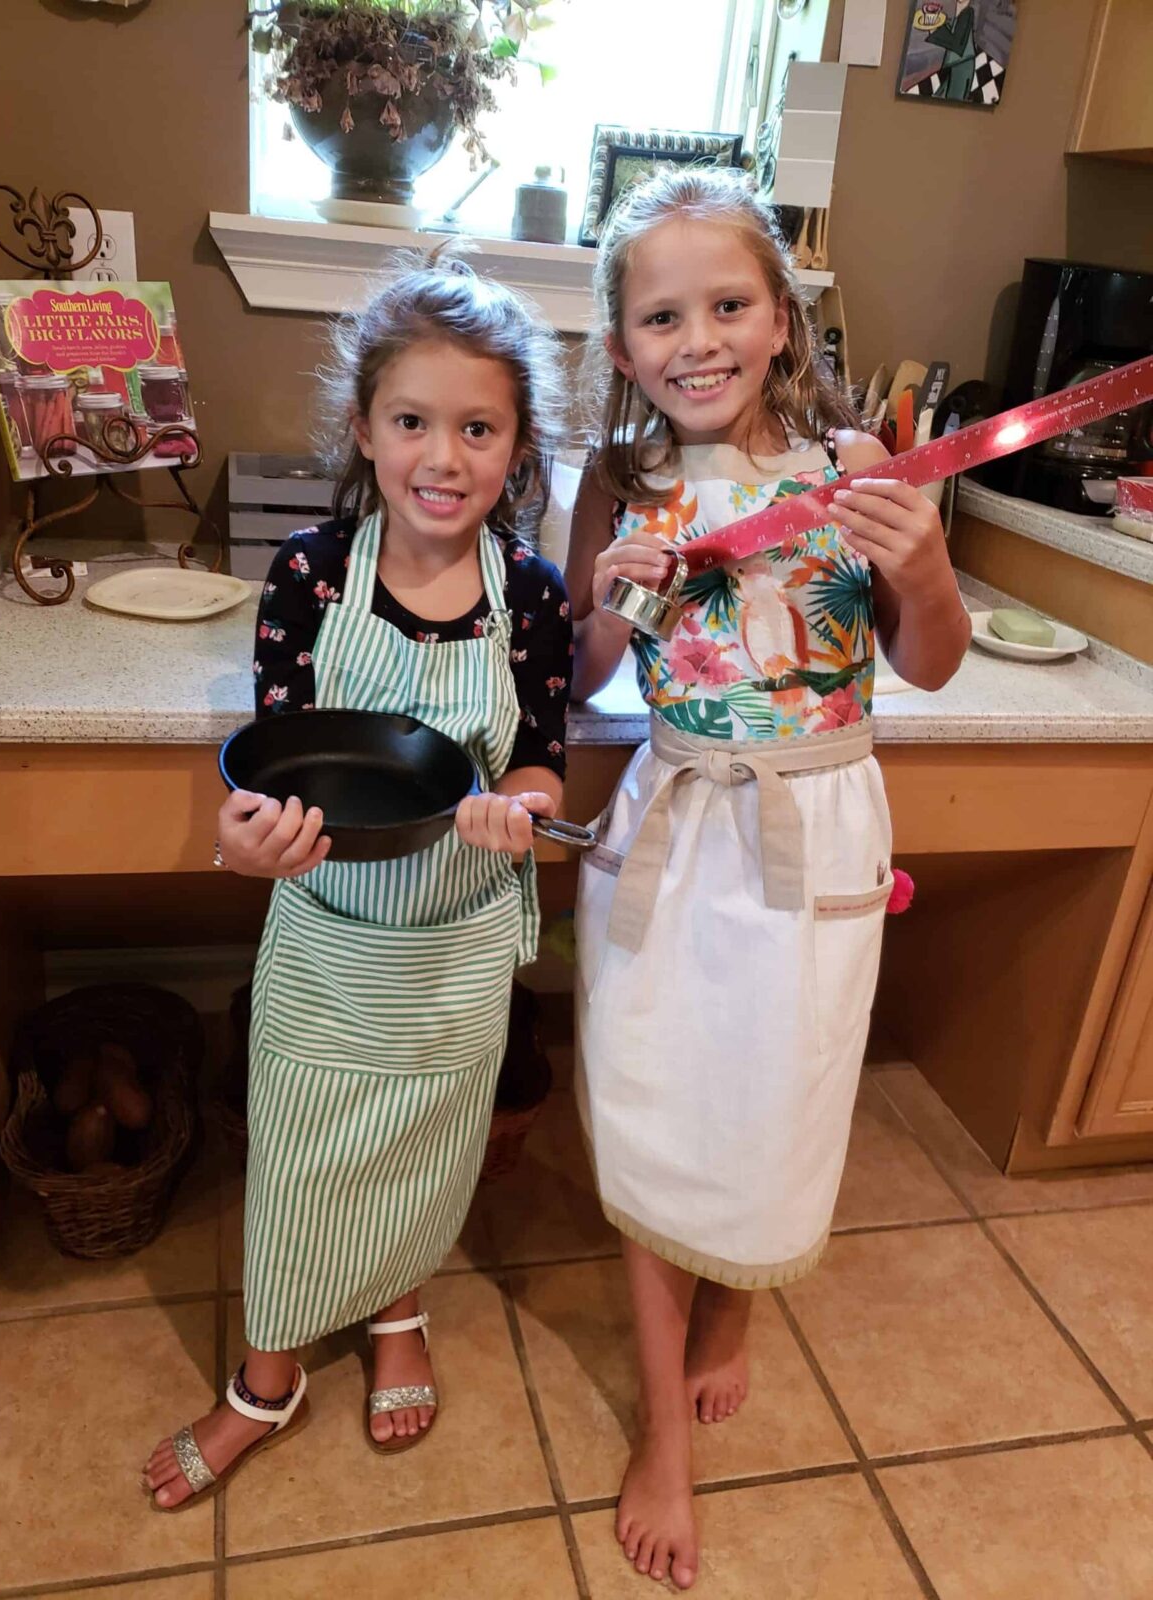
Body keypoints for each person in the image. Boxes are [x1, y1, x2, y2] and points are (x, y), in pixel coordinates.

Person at [565, 166, 969, 1589]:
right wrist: (613, 606)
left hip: (816, 827)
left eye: (729, 303)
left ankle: (739, 1304)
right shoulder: (620, 482)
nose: (699, 339)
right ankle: (663, 1425)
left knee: (776, 1084)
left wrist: (922, 565)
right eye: (660, 316)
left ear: (781, 320)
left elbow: (929, 659)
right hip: (671, 823)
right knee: (648, 1082)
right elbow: (585, 675)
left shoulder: (858, 469)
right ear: (622, 349)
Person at [143, 251, 571, 1508]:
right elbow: (278, 760)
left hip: (454, 941)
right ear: (365, 429)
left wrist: (526, 809)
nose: (445, 456)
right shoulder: (312, 576)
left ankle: (396, 1309)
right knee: (298, 1155)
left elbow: (540, 758)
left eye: (477, 428)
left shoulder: (531, 598)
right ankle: (267, 1380)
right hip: (330, 927)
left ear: (515, 443)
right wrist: (244, 839)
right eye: (413, 421)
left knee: (426, 1147)